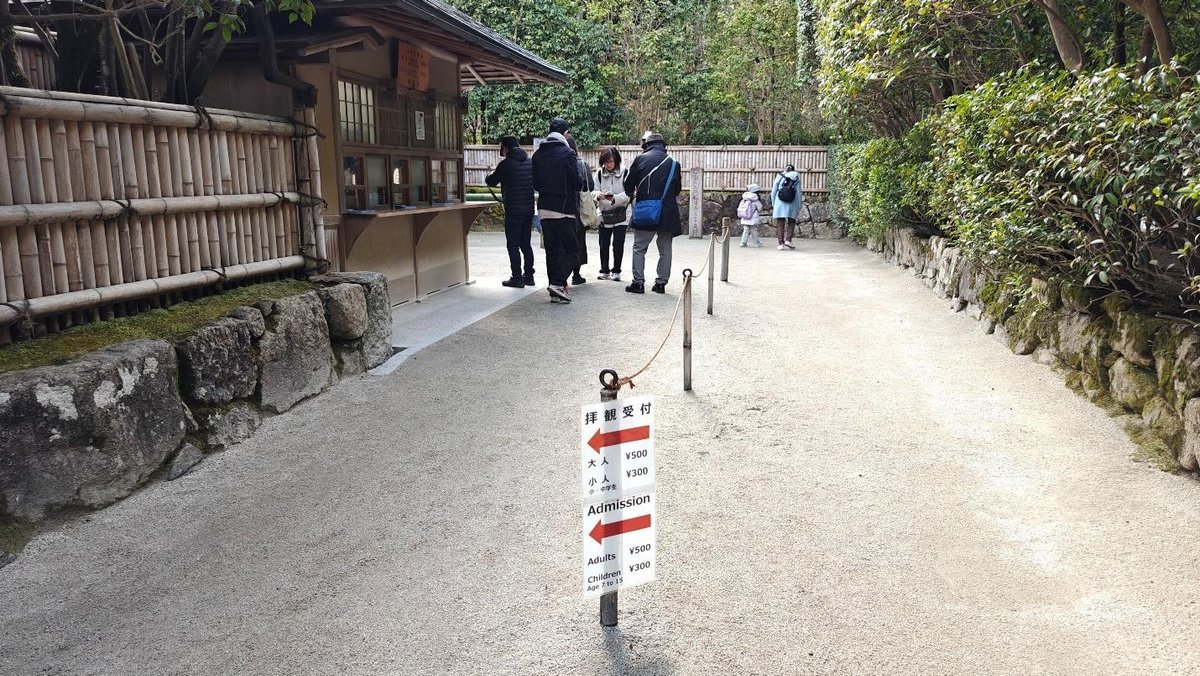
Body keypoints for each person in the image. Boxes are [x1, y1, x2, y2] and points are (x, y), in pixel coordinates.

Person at [531, 117, 584, 303]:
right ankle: (558, 282)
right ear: (565, 133)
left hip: (544, 209)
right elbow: (577, 183)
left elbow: (535, 183)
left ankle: (555, 291)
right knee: (571, 250)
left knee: (551, 251)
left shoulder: (537, 154)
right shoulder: (568, 153)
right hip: (564, 210)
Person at [623, 132, 682, 294]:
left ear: (646, 146)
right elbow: (676, 190)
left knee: (639, 248)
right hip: (667, 211)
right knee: (665, 249)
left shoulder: (640, 159)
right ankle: (661, 283)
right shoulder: (674, 163)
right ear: (664, 146)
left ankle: (638, 283)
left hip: (646, 211)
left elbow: (628, 186)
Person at [485, 136, 535, 288]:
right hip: (528, 209)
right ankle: (529, 276)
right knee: (526, 244)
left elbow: (492, 181)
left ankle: (517, 278)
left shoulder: (506, 164)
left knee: (512, 245)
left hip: (513, 210)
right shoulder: (529, 162)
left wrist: (488, 174)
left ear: (505, 148)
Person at [593, 146, 631, 281]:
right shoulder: (598, 173)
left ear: (616, 160)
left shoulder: (626, 172)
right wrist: (597, 195)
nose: (608, 165)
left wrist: (615, 198)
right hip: (604, 213)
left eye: (611, 161)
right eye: (606, 162)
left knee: (618, 243)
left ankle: (616, 271)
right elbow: (592, 191)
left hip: (621, 213)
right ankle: (604, 270)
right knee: (603, 243)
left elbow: (630, 193)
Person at [565, 133, 595, 286]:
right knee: (579, 242)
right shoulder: (582, 164)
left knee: (563, 243)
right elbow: (590, 184)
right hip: (580, 209)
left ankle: (562, 274)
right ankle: (576, 274)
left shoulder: (559, 162)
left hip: (563, 207)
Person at [771, 164, 803, 250]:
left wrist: (773, 203)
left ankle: (781, 243)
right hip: (792, 202)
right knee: (791, 221)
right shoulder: (796, 177)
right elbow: (799, 192)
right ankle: (788, 240)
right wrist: (799, 205)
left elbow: (774, 190)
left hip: (780, 201)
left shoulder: (780, 176)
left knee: (780, 223)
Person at [737, 183, 763, 247]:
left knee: (745, 230)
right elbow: (760, 208)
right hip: (753, 218)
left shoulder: (744, 198)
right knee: (754, 230)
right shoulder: (755, 199)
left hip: (745, 217)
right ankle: (757, 243)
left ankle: (743, 242)